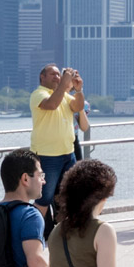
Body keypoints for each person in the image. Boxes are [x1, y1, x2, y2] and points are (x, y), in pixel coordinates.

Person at [28, 64, 90, 211]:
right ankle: (35, 231)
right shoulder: (39, 94)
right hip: (47, 155)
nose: (57, 77)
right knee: (44, 197)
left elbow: (78, 106)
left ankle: (62, 229)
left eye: (58, 74)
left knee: (69, 194)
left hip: (68, 154)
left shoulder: (64, 96)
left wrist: (79, 89)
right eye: (52, 74)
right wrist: (63, 84)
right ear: (42, 77)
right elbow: (51, 104)